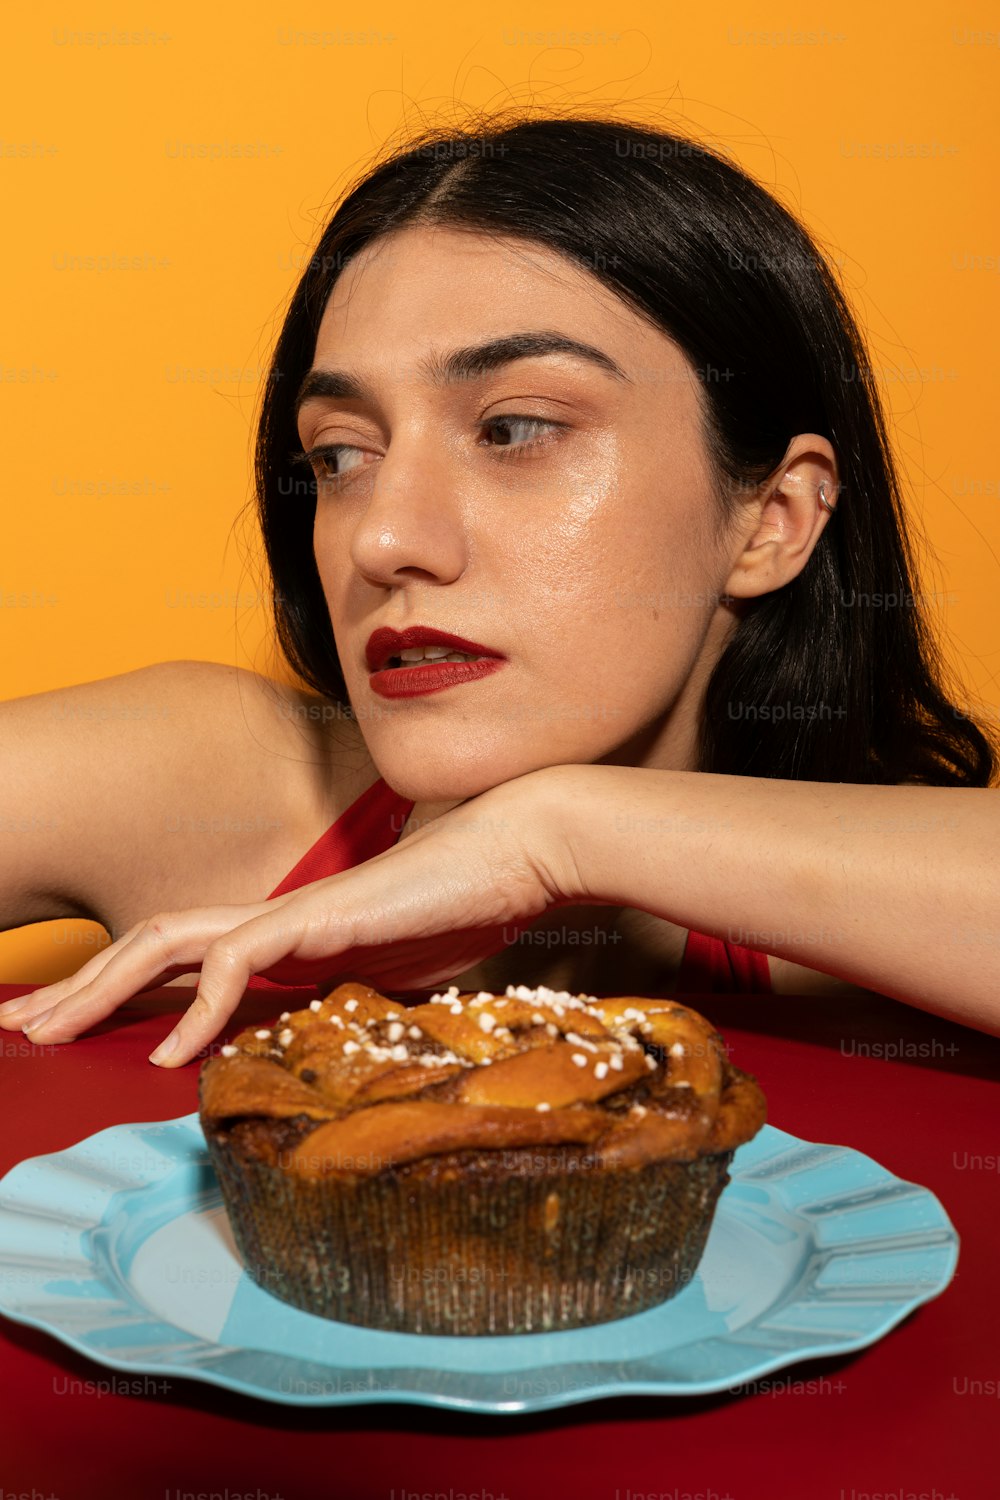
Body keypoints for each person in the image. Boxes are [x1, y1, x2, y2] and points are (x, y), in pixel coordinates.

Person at [1, 112, 997, 1068]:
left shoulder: (882, 917)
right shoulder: (211, 783)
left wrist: (557, 838)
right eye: (341, 454)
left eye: (514, 429)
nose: (385, 537)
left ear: (771, 519)